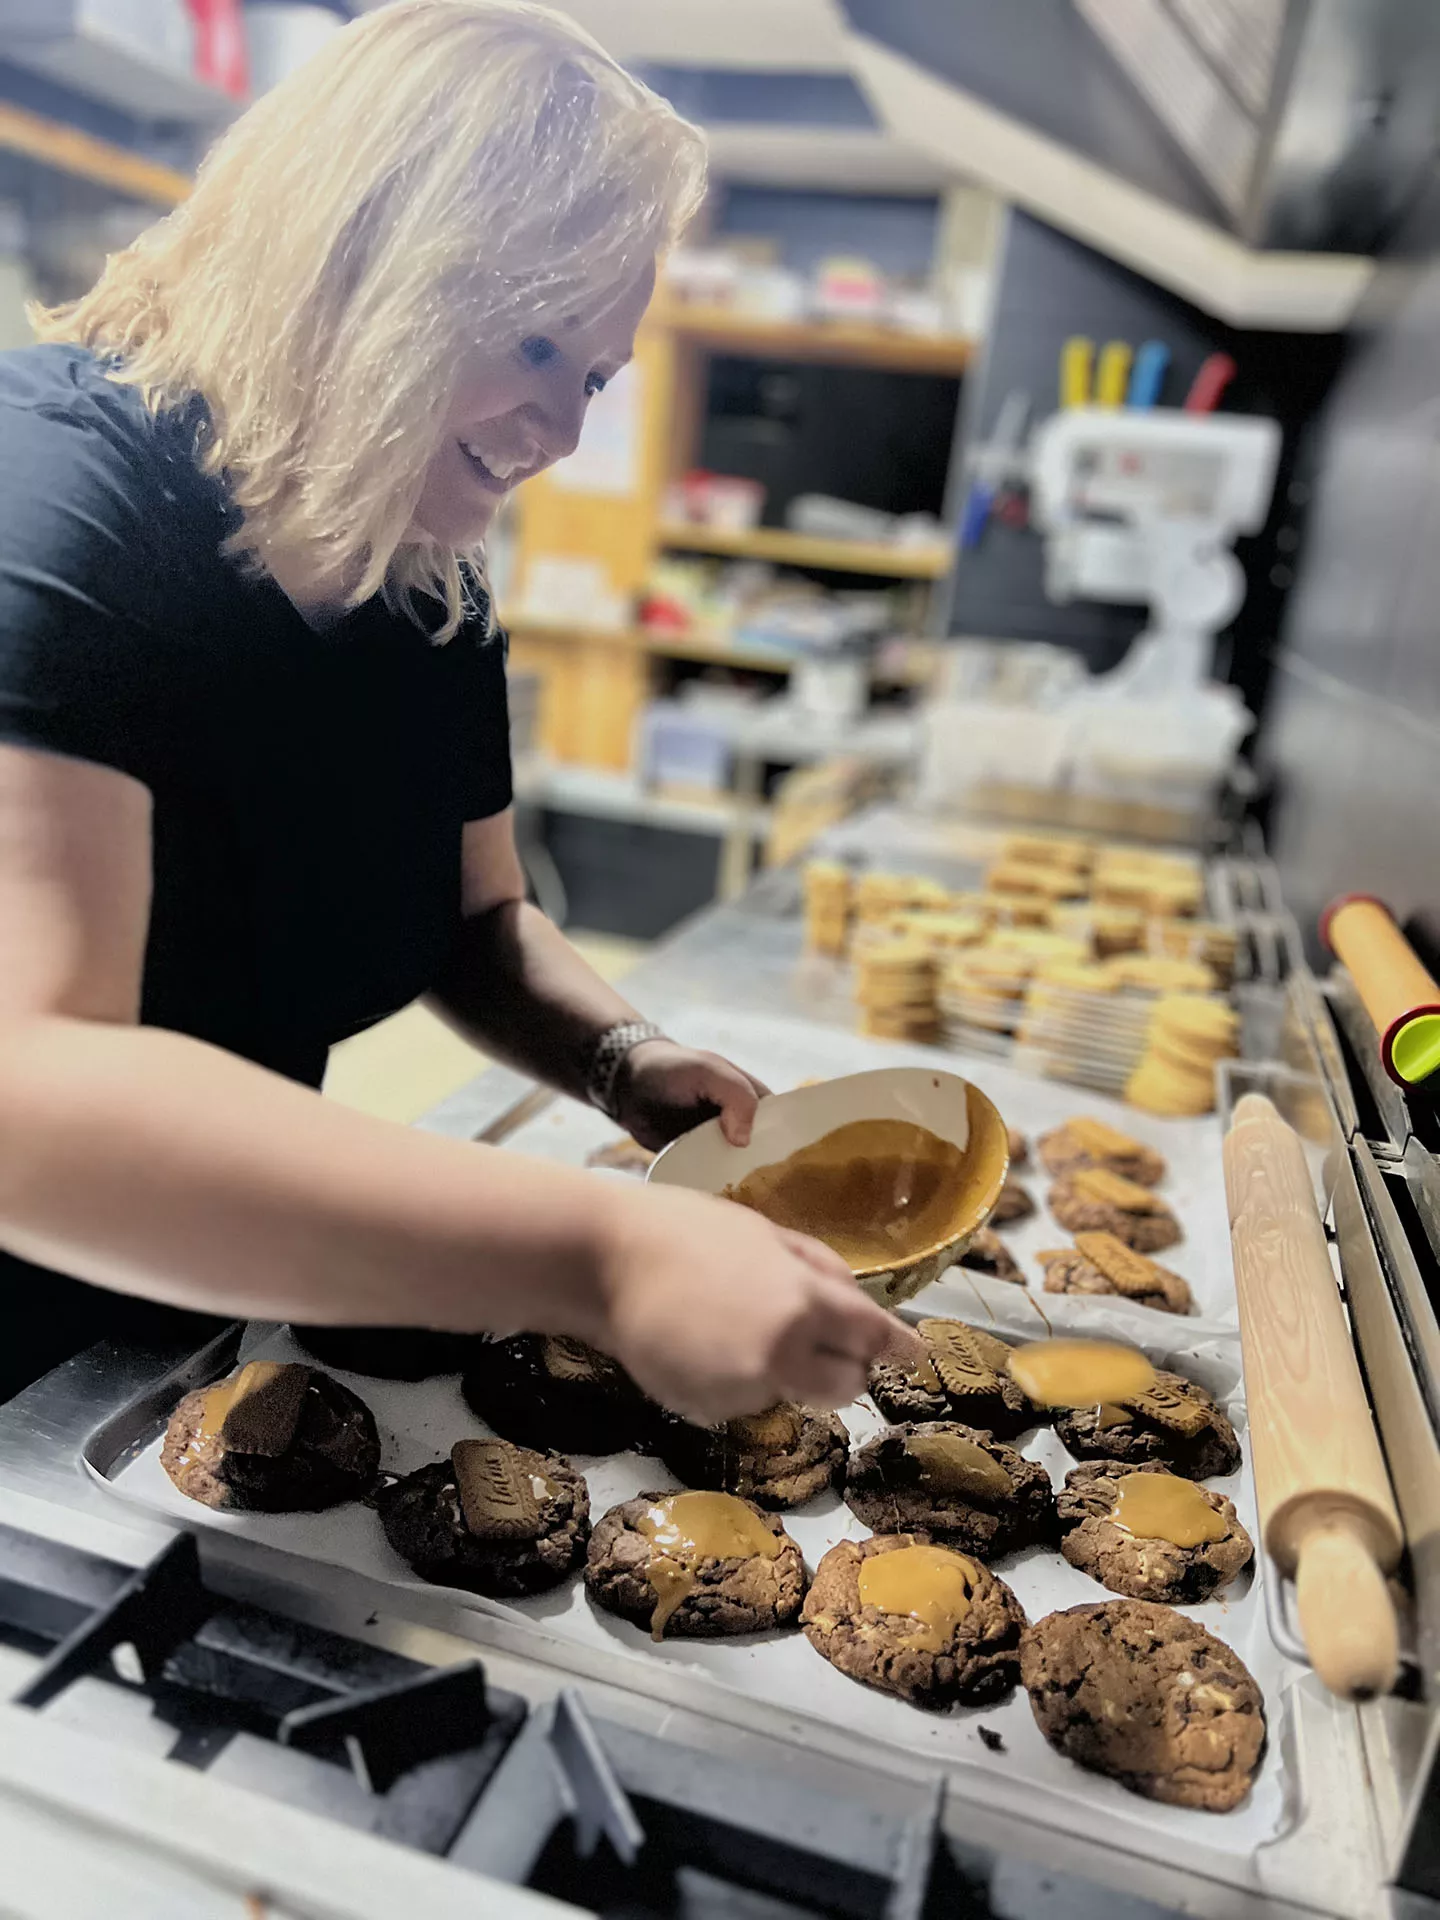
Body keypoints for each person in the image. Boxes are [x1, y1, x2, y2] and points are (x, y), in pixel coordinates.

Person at [0, 0, 913, 1410]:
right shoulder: (51, 504)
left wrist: (619, 1059)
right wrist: (604, 1254)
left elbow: (477, 923)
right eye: (533, 344)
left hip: (192, 1319)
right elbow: (31, 1099)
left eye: (596, 374)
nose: (561, 434)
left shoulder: (422, 584)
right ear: (352, 256)